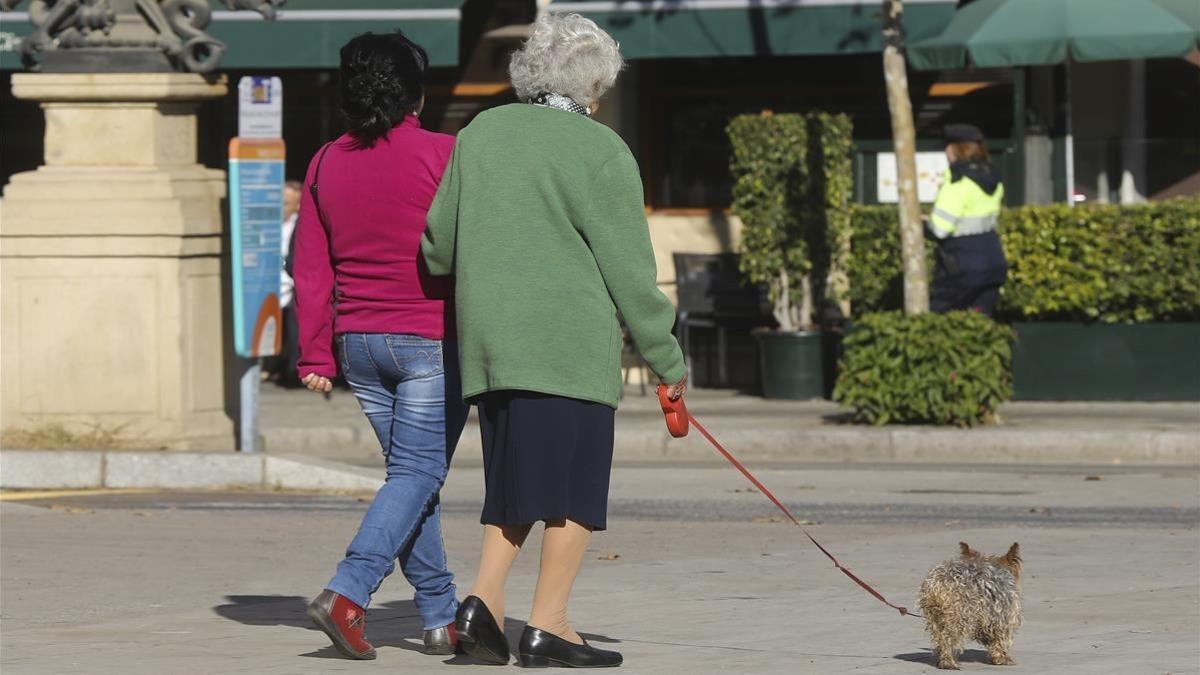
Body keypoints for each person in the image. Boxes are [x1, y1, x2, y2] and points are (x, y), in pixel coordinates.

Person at [421, 13, 688, 669]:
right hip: (567, 343)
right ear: (593, 85)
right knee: (571, 490)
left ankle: (482, 603)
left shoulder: (480, 133)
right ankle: (549, 624)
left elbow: (437, 248)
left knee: (514, 483)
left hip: (490, 344)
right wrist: (667, 360)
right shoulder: (601, 150)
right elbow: (630, 272)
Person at [294, 31, 468, 660]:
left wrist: (315, 353)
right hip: (427, 340)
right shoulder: (445, 154)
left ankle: (440, 616)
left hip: (358, 344)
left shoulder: (324, 161)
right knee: (418, 473)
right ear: (417, 95)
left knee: (411, 480)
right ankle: (349, 590)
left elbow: (310, 267)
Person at [926, 123, 1009, 316]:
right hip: (993, 261)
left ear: (953, 149)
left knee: (939, 318)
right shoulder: (993, 178)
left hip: (962, 265)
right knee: (979, 321)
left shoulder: (958, 183)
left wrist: (922, 224)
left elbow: (939, 229)